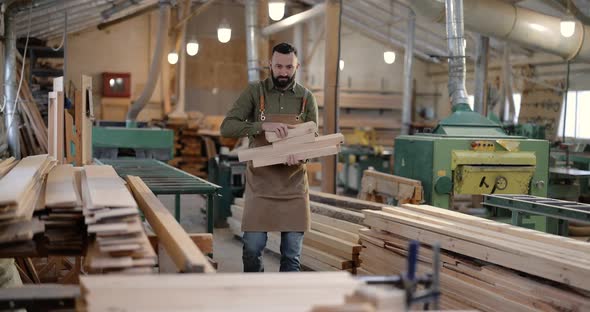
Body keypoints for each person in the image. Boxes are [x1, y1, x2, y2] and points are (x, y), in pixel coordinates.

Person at [220, 42, 318, 272]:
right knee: (252, 250)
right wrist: (262, 126)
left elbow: (313, 143)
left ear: (297, 66)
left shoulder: (306, 98)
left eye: (289, 67)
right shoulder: (256, 91)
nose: (283, 72)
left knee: (291, 258)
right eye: (278, 66)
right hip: (261, 186)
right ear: (269, 65)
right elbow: (227, 128)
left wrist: (302, 157)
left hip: (293, 187)